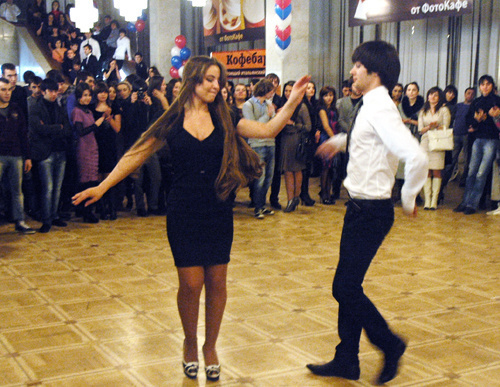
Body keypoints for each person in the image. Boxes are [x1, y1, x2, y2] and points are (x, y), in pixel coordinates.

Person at [72, 56, 309, 381]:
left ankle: (210, 346)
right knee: (191, 283)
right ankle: (189, 340)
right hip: (183, 210)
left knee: (217, 281)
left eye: (218, 80)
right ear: (193, 81)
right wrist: (103, 185)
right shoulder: (171, 120)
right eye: (209, 79)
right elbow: (136, 152)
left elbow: (267, 129)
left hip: (217, 208)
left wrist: (293, 100)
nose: (216, 85)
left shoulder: (226, 118)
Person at [310, 41, 428, 384]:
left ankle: (390, 344)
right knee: (349, 285)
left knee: (344, 287)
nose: (351, 71)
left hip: (372, 212)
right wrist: (339, 142)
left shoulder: (380, 109)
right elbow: (369, 138)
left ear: (374, 72)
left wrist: (408, 199)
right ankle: (346, 359)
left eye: (357, 66)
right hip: (360, 209)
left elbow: (416, 156)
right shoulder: (373, 105)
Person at [28, 78, 72, 232]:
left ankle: (54, 216)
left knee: (57, 188)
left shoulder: (59, 107)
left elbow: (67, 129)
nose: (54, 94)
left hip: (60, 150)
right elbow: (38, 129)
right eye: (51, 91)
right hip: (45, 152)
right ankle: (46, 219)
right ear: (44, 91)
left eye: (55, 91)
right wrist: (56, 128)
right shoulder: (35, 107)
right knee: (48, 188)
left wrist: (51, 128)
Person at [454, 75, 500, 215]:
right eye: (482, 84)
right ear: (479, 87)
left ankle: (472, 204)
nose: (485, 87)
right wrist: (476, 120)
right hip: (477, 139)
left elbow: (498, 124)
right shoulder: (477, 101)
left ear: (492, 86)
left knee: (481, 174)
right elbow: (469, 120)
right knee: (471, 172)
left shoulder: (497, 100)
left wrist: (492, 117)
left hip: (491, 140)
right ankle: (465, 202)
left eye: (488, 84)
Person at [0, 77, 35, 234]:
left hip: (16, 155)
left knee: (17, 190)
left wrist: (27, 157)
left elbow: (23, 134)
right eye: (3, 90)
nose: (7, 93)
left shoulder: (15, 108)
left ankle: (20, 220)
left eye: (9, 90)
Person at [242, 79, 277, 219]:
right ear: (266, 90)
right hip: (257, 144)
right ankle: (257, 208)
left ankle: (263, 205)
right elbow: (252, 126)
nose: (273, 94)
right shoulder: (248, 104)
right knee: (260, 178)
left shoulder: (268, 104)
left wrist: (272, 116)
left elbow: (273, 123)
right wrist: (267, 116)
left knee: (269, 177)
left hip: (270, 143)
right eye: (271, 91)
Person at [279, 82, 312, 212]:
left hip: (296, 140)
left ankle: (295, 198)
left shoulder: (301, 106)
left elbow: (308, 127)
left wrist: (293, 124)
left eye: (290, 91)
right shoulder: (283, 105)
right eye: (286, 91)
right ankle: (290, 200)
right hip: (285, 139)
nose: (287, 93)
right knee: (287, 170)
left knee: (296, 170)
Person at [418, 86, 451, 210]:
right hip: (425, 141)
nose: (432, 97)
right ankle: (427, 200)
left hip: (438, 141)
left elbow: (446, 127)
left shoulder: (444, 110)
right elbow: (420, 129)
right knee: (426, 170)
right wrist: (428, 127)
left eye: (436, 95)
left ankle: (434, 200)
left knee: (436, 170)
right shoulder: (423, 111)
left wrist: (437, 126)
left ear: (440, 97)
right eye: (431, 94)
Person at [316, 85, 342, 204]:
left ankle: (328, 192)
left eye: (331, 95)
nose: (328, 98)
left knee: (332, 168)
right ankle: (324, 194)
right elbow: (326, 126)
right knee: (325, 167)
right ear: (322, 97)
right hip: (327, 138)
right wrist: (335, 139)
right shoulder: (321, 109)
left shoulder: (334, 108)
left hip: (334, 136)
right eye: (326, 95)